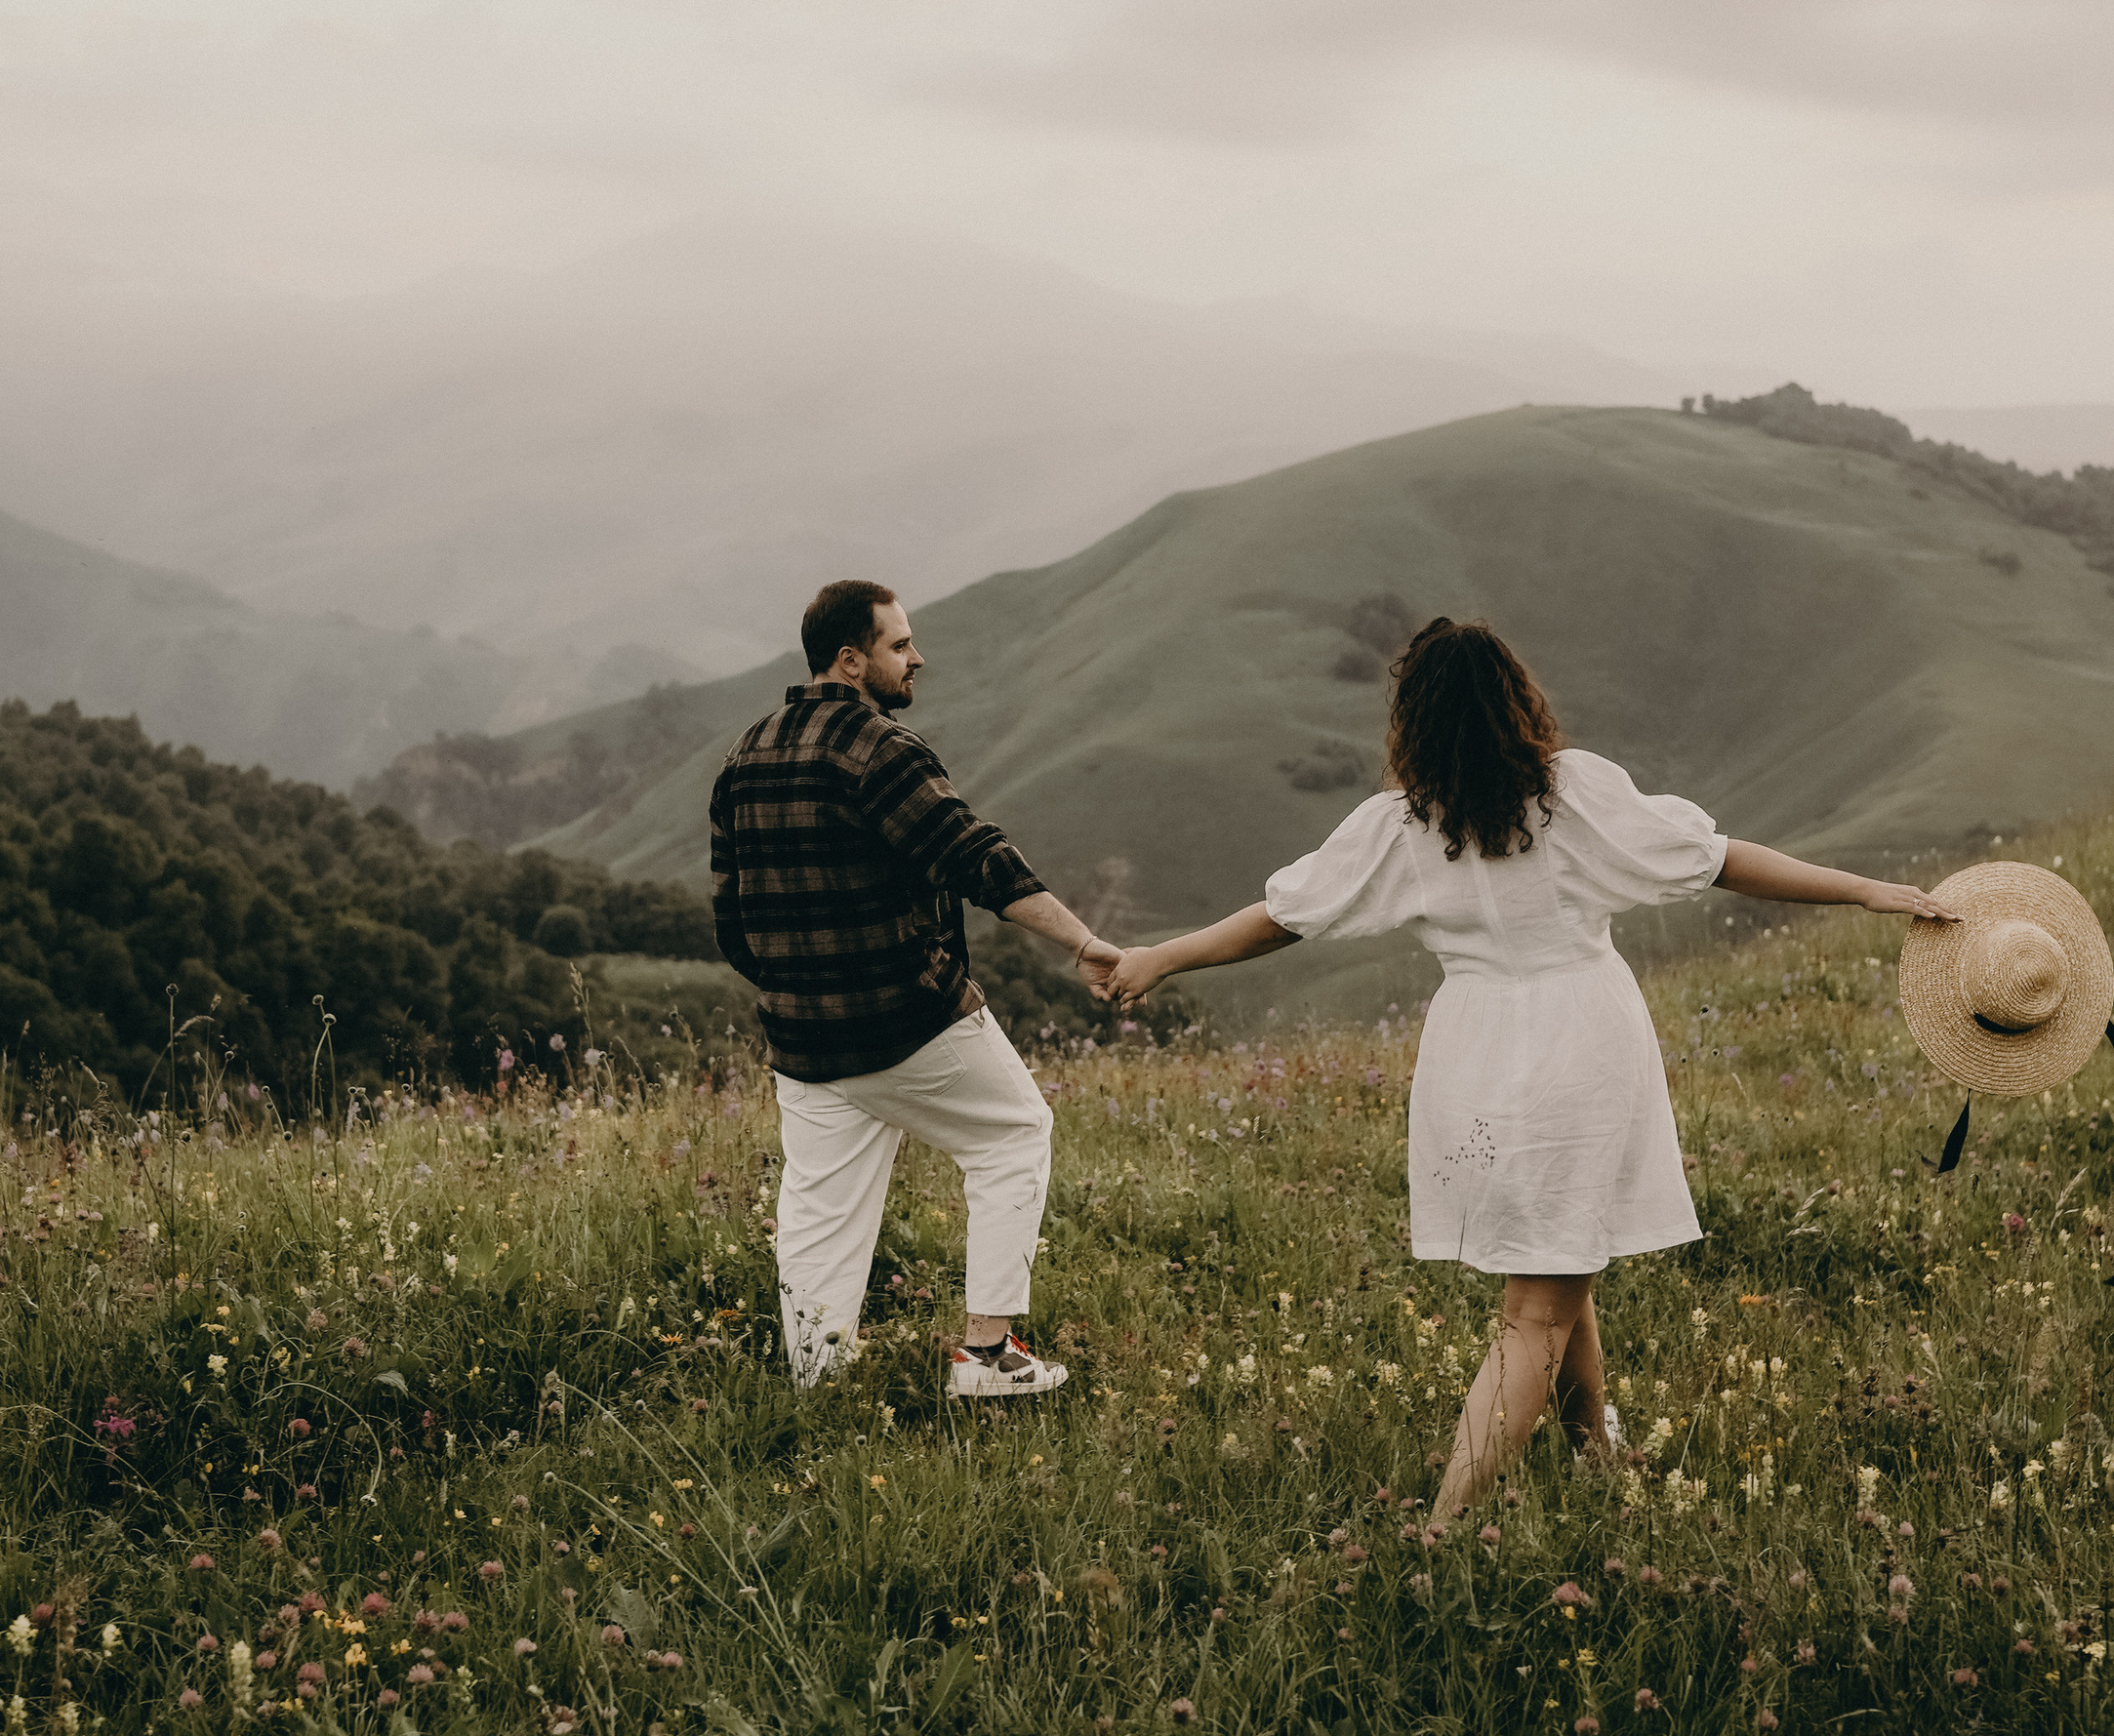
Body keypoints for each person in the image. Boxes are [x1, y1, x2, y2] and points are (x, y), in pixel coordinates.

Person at [1104, 615, 1953, 1522]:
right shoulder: (1570, 795)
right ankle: (1445, 1528)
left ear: (1413, 724)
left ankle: (1596, 1463)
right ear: (1517, 701)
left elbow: (1281, 917)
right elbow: (1717, 861)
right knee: (1537, 1310)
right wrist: (1862, 887)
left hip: (1471, 1057)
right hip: (1579, 1049)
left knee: (1559, 1265)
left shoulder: (1399, 827)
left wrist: (1162, 954)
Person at [711, 578, 1118, 1397]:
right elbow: (978, 858)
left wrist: (794, 986)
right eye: (900, 645)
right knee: (1013, 1134)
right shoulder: (878, 749)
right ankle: (987, 1357)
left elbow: (731, 916)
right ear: (851, 660)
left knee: (821, 1213)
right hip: (904, 1015)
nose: (916, 657)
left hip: (800, 1035)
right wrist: (1085, 942)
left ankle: (817, 1390)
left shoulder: (745, 752)